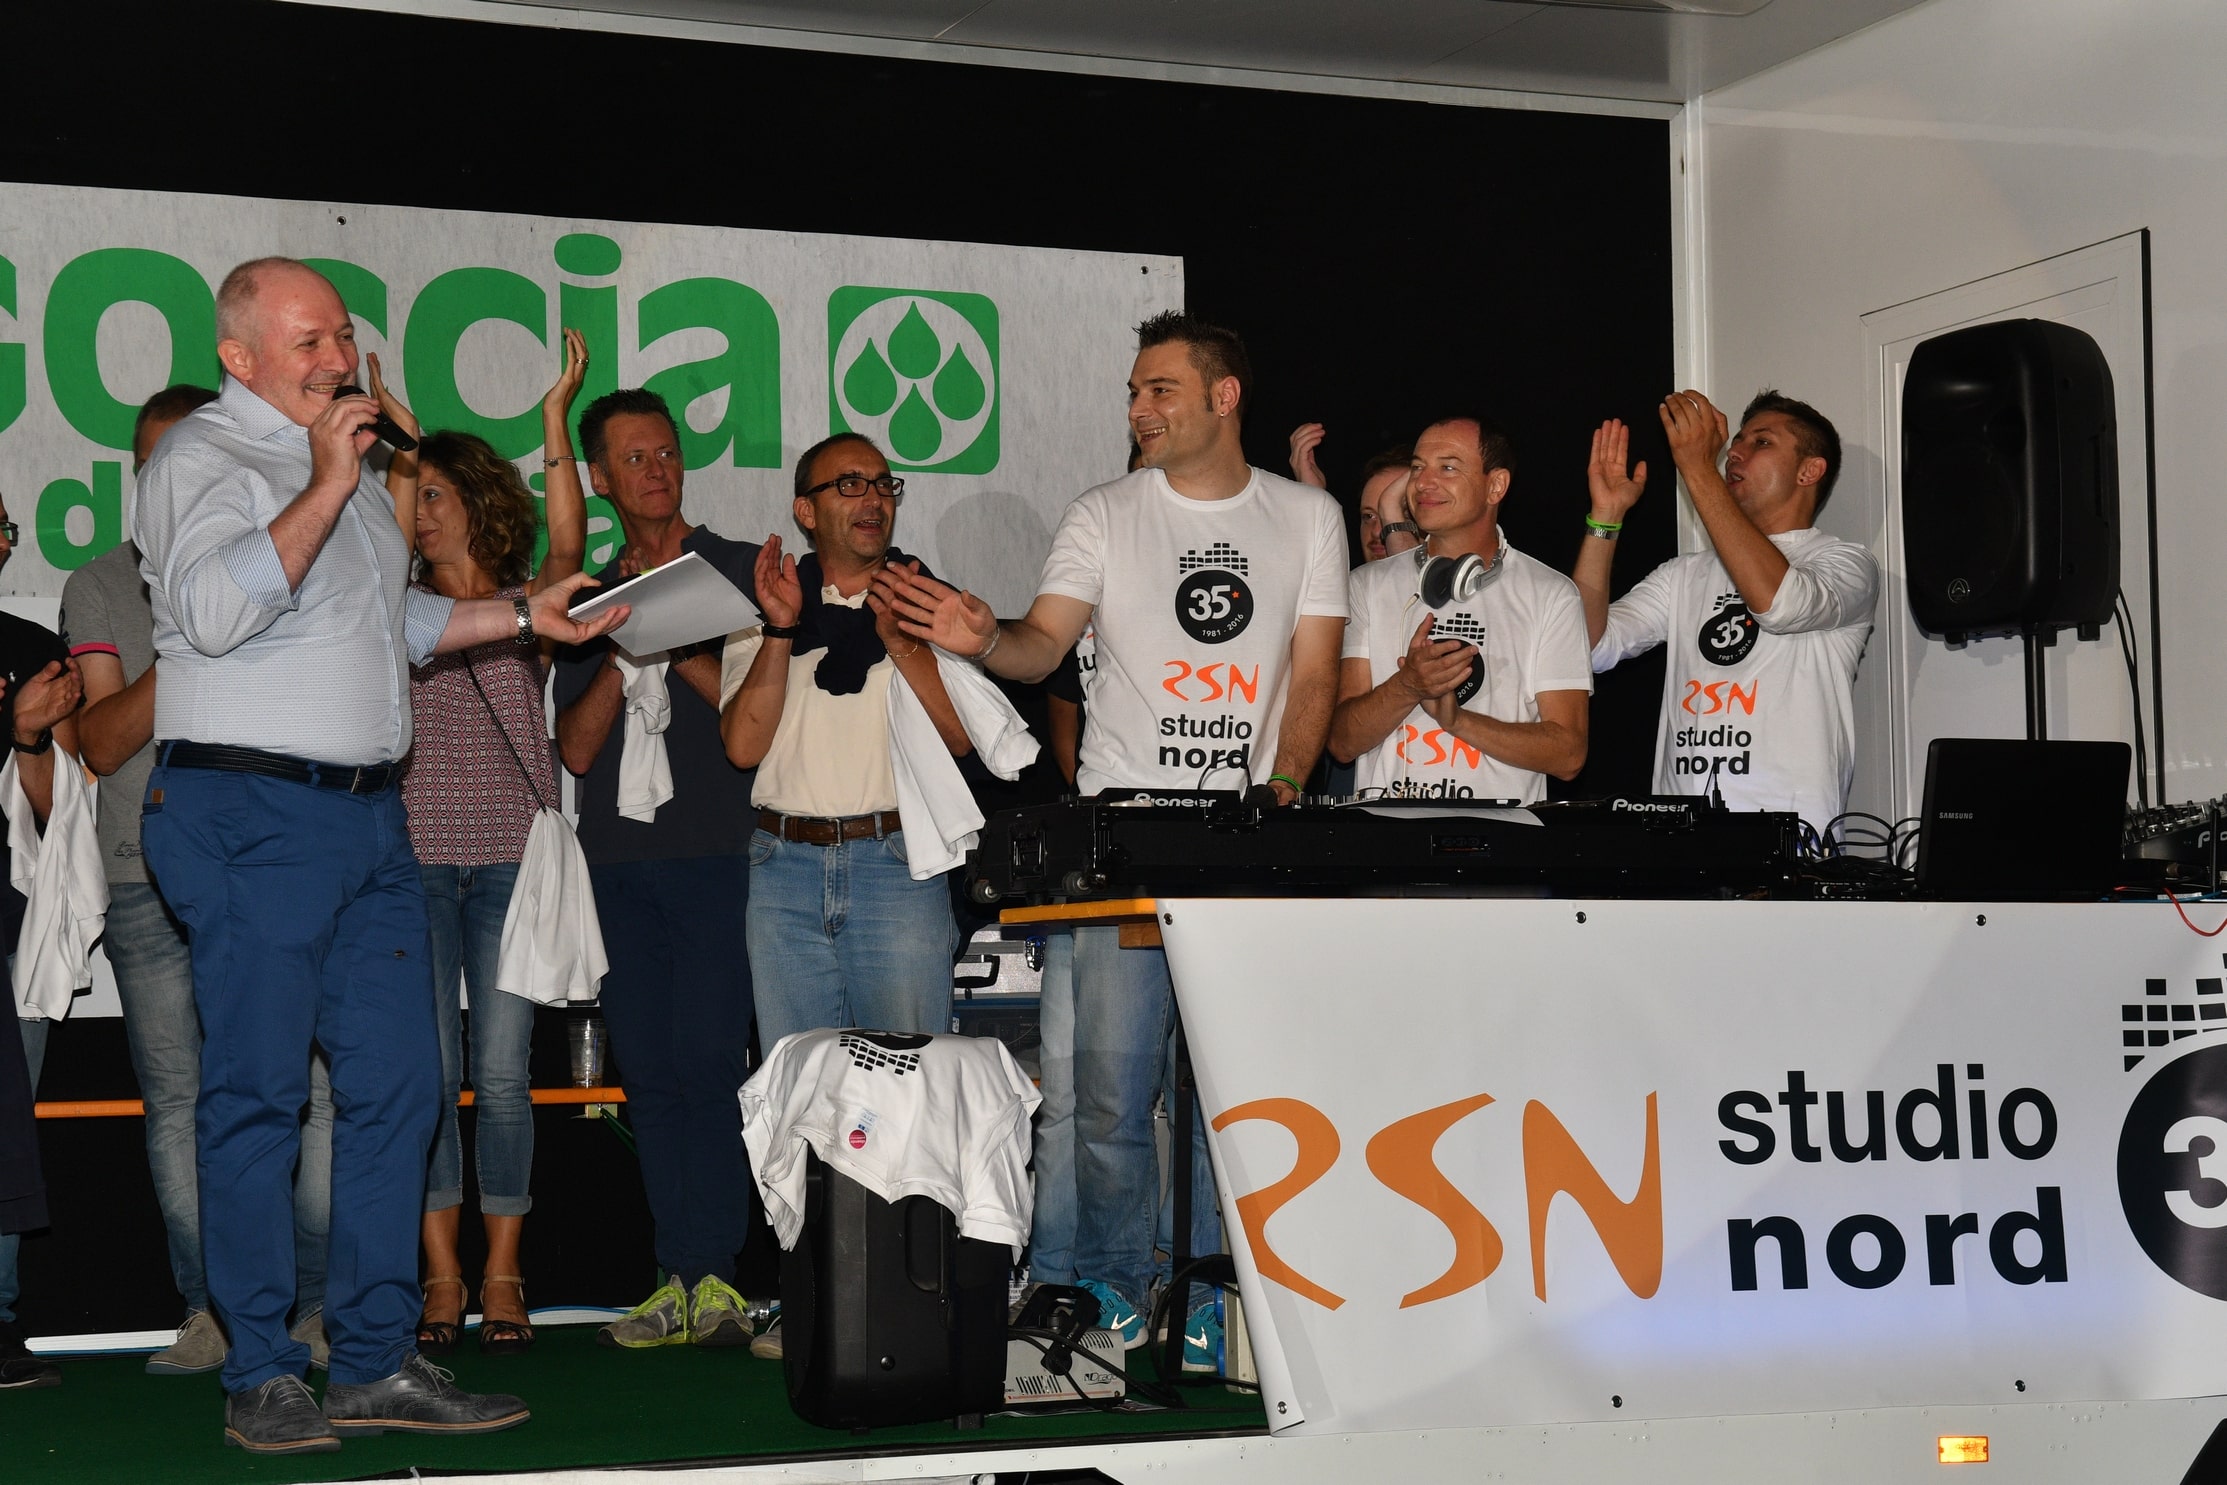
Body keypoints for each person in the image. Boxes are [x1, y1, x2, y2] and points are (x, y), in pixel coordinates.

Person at [132, 256, 618, 1453]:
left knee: (402, 1088)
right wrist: (329, 478)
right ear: (238, 358)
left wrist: (523, 615)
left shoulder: (342, 471)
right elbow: (213, 613)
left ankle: (370, 1359)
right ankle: (260, 1369)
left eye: (342, 336)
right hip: (248, 812)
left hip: (367, 821)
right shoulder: (203, 459)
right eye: (307, 342)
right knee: (255, 1097)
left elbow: (382, 620)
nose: (338, 360)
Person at [884, 311, 1348, 1349]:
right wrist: (983, 638)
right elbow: (1041, 644)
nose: (1138, 409)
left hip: (1245, 840)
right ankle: (1112, 1289)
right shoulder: (1102, 511)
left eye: (1158, 389)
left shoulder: (1307, 516)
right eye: (1133, 393)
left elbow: (1315, 672)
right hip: (1120, 839)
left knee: (1232, 1094)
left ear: (1224, 396)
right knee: (1106, 1092)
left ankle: (1216, 1299)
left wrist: (1280, 789)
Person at [68, 384, 337, 1379]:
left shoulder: (286, 558)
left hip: (274, 867)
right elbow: (101, 741)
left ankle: (313, 1304)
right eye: (157, 464)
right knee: (181, 1099)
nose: (176, 478)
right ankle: (214, 1307)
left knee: (310, 1094)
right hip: (145, 870)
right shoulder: (101, 584)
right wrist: (194, 634)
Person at [551, 388, 762, 1351]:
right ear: (599, 477)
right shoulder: (584, 597)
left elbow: (758, 721)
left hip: (718, 852)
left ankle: (719, 1273)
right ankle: (675, 1272)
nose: (656, 470)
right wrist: (617, 644)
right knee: (648, 1068)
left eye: (667, 452)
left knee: (711, 1061)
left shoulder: (737, 571)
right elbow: (576, 748)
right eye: (634, 458)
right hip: (618, 862)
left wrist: (672, 644)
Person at [400, 329, 591, 1358]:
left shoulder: (528, 597)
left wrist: (556, 418)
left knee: (505, 1076)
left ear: (475, 498)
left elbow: (568, 538)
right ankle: (440, 1275)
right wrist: (393, 450)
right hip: (411, 861)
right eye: (411, 493)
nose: (419, 510)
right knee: (428, 1079)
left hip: (513, 862)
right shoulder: (385, 603)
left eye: (435, 492)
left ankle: (505, 1273)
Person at [720, 434, 968, 1057]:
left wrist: (902, 641)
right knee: (800, 1084)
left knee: (909, 1082)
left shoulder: (930, 602)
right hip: (783, 870)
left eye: (884, 484)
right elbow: (743, 747)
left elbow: (961, 738)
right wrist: (781, 628)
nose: (873, 499)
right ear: (805, 510)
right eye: (851, 484)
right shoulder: (763, 607)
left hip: (897, 866)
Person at [1575, 391, 1878, 825]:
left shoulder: (1846, 564)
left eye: (1762, 442)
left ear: (1809, 471)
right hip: (1681, 837)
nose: (1735, 452)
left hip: (1789, 839)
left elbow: (1780, 604)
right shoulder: (1684, 573)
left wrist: (1698, 469)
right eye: (1737, 441)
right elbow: (1588, 648)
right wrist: (1605, 518)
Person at [1328, 417, 1591, 801]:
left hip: (1501, 834)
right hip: (1388, 832)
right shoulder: (1367, 585)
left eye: (1447, 467)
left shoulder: (1551, 594)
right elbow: (1342, 742)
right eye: (1417, 467)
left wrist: (1458, 721)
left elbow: (1568, 754)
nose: (1423, 482)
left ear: (1495, 486)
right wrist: (1407, 686)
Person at [0, 492, 85, 1392]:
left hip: (9, 928)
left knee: (5, 1129)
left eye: (2, 528)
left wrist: (25, 731)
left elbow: (62, 813)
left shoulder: (30, 650)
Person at [1290, 426, 1418, 564]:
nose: (1376, 532)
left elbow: (1412, 575)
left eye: (1399, 514)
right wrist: (1314, 501)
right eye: (1368, 516)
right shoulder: (1352, 578)